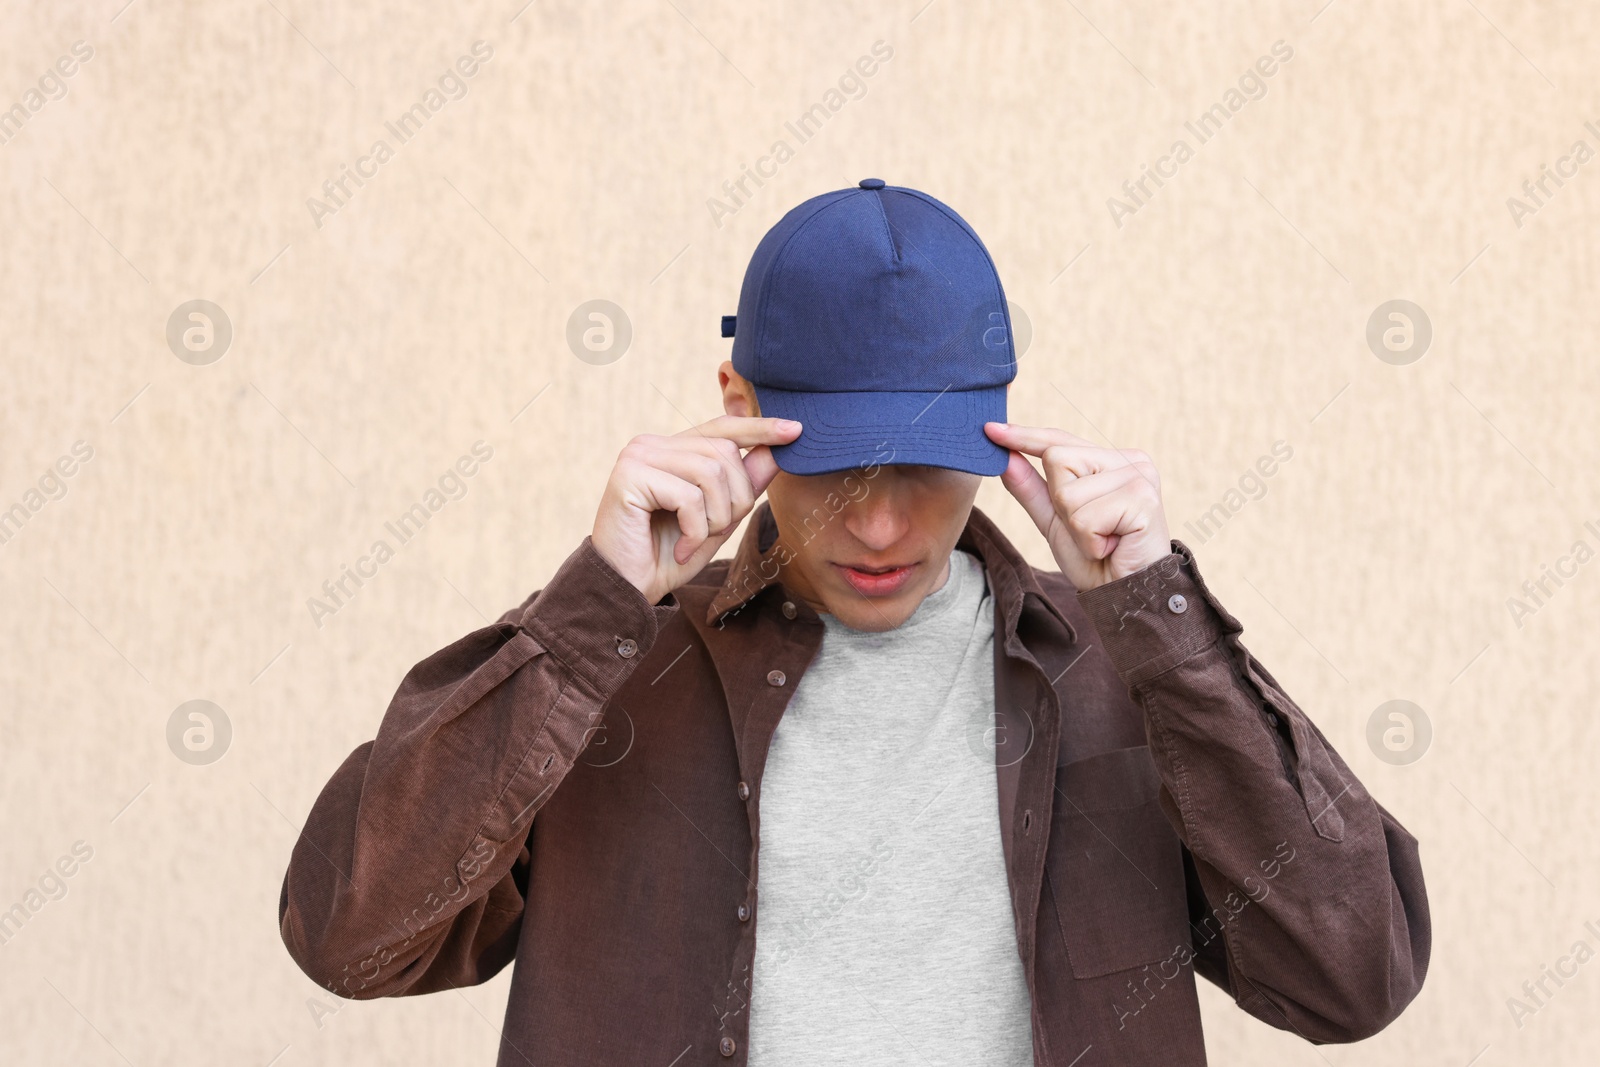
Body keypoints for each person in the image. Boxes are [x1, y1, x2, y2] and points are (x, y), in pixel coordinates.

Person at [279, 179, 1429, 1066]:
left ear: (997, 431)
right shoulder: (602, 671)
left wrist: (1161, 619)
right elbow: (350, 938)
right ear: (737, 410)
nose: (879, 522)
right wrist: (590, 611)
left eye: (926, 462)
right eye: (832, 461)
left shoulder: (1119, 670)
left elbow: (1352, 974)